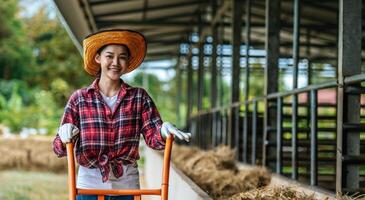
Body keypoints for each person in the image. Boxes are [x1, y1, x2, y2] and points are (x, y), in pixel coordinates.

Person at [53, 29, 191, 200]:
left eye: (122, 57)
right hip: (88, 188)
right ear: (98, 58)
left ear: (127, 62)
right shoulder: (80, 99)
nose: (116, 62)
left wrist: (163, 130)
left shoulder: (139, 97)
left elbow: (154, 138)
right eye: (109, 56)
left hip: (127, 189)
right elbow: (59, 148)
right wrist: (64, 134)